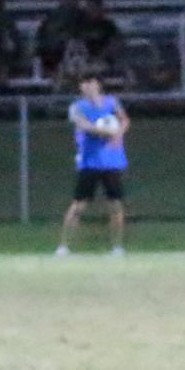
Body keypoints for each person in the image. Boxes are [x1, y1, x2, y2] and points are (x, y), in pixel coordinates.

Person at [55, 71, 129, 257]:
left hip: (111, 162)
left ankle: (117, 247)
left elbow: (124, 120)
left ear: (97, 84)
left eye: (89, 82)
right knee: (78, 205)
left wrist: (119, 133)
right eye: (83, 83)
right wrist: (107, 132)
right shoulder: (76, 107)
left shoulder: (112, 102)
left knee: (115, 205)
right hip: (90, 163)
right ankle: (64, 247)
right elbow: (85, 126)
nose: (86, 86)